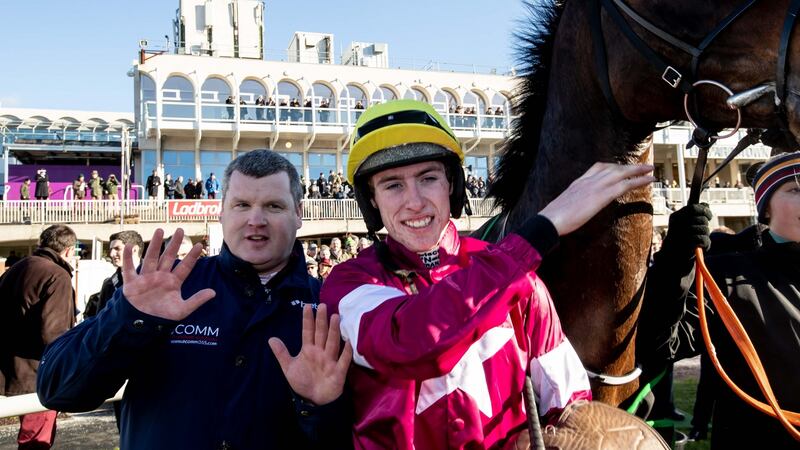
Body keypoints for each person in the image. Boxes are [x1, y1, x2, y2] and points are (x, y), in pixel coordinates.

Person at [320, 100, 657, 449]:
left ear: (452, 185)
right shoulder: (348, 284)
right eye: (392, 185)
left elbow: (570, 403)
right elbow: (413, 343)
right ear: (371, 201)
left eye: (428, 178)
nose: (415, 201)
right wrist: (543, 229)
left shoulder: (521, 278)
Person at [37, 150, 353, 449]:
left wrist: (319, 407)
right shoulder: (167, 287)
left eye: (274, 206)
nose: (256, 220)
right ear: (221, 211)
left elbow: (349, 437)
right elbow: (57, 389)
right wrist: (128, 319)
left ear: (298, 213)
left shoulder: (328, 307)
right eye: (241, 205)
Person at [638, 151, 800, 449]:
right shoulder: (725, 275)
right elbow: (659, 343)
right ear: (765, 209)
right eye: (795, 189)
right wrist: (675, 261)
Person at [0, 225, 77, 449]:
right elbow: (54, 334)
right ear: (70, 250)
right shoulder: (57, 275)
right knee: (36, 442)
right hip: (38, 375)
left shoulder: (16, 268)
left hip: (9, 369)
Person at [84, 230, 144, 319]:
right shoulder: (109, 284)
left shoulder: (155, 278)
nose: (111, 254)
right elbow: (100, 320)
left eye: (117, 248)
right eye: (111, 249)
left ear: (134, 249)